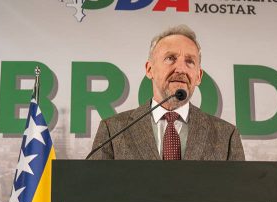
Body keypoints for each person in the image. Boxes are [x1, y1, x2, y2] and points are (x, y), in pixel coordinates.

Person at [87, 25, 245, 161]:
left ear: (198, 76)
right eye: (170, 58)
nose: (181, 69)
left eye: (190, 61)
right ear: (149, 69)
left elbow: (238, 187)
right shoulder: (113, 130)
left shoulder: (227, 135)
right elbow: (95, 185)